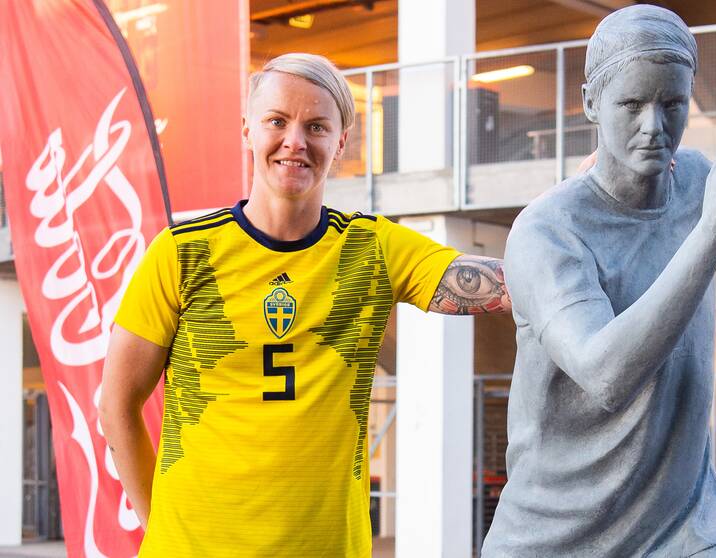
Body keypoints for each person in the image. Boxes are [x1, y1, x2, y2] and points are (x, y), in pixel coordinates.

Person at [99, 52, 510, 557]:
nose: (295, 141)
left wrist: (575, 214)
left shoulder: (372, 248)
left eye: (316, 126)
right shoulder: (181, 252)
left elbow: (500, 283)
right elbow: (117, 405)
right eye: (277, 121)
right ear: (247, 130)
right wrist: (161, 528)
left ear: (340, 143)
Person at [482, 5, 716, 557]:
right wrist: (713, 232)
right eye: (631, 105)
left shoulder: (698, 183)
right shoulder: (547, 231)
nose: (654, 127)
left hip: (683, 523)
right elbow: (605, 374)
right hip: (559, 533)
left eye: (672, 104)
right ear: (590, 104)